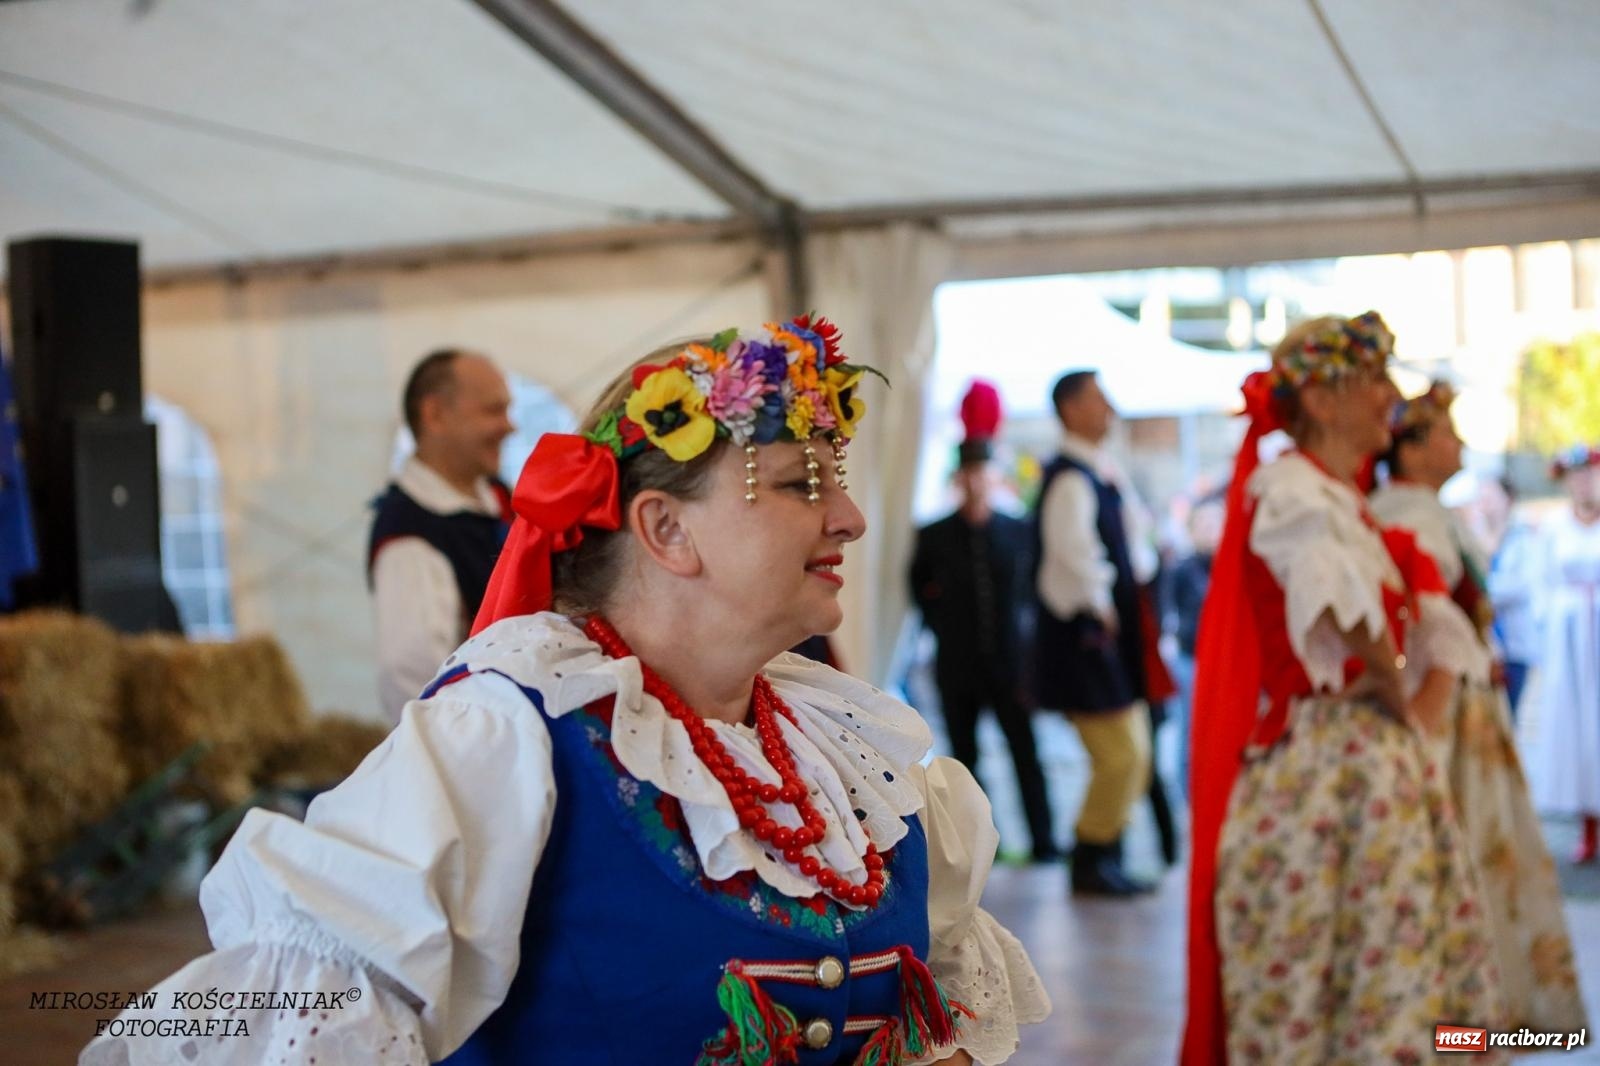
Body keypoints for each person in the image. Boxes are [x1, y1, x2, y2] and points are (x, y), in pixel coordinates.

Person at [82, 317, 1049, 1066]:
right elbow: (295, 1022)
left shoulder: (846, 750)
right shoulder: (504, 738)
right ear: (665, 530)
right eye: (801, 484)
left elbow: (938, 1014)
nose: (849, 518)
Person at [1182, 312, 1504, 1065]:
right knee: (1324, 966)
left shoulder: (1341, 500)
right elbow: (1356, 631)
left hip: (1369, 765)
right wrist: (1400, 692)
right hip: (1325, 767)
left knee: (1389, 959)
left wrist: (1413, 712)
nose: (1391, 396)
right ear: (1323, 400)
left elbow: (1401, 629)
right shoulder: (1293, 490)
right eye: (1374, 381)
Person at [1371, 383, 1587, 1033]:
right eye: (1445, 433)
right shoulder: (1406, 514)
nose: (1458, 443)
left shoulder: (1430, 511)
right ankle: (1453, 1007)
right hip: (1444, 710)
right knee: (1458, 851)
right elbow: (1419, 619)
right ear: (1411, 447)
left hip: (1465, 704)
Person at [910, 382, 1058, 862]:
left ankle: (1045, 842)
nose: (975, 481)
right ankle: (977, 849)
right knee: (966, 761)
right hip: (958, 665)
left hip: (1010, 663)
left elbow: (1032, 592)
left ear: (993, 476)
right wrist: (943, 629)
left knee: (1025, 754)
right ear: (960, 478)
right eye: (968, 473)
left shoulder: (1017, 531)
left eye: (982, 472)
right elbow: (919, 590)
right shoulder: (934, 536)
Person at [1031, 370, 1160, 896]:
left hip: (1105, 634)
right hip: (1085, 637)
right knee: (1121, 752)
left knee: (1133, 750)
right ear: (1071, 409)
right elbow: (1073, 554)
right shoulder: (1069, 478)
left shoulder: (1096, 472)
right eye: (1098, 400)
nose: (1109, 410)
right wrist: (1101, 603)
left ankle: (1104, 852)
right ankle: (1090, 853)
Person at [368, 348, 515, 721]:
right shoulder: (411, 537)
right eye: (492, 410)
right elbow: (411, 680)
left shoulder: (497, 495)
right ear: (434, 415)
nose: (509, 426)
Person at [1526, 443, 1600, 864]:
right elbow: (1542, 585)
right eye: (1578, 477)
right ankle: (1587, 823)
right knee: (1578, 730)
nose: (1586, 484)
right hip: (1571, 642)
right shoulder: (1554, 527)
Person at [1481, 477, 1540, 716]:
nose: (1485, 503)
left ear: (1508, 500)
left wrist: (1482, 594)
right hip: (1487, 644)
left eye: (1491, 496)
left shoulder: (1523, 538)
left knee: (1510, 712)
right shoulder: (1474, 535)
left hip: (1513, 644)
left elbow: (1521, 584)